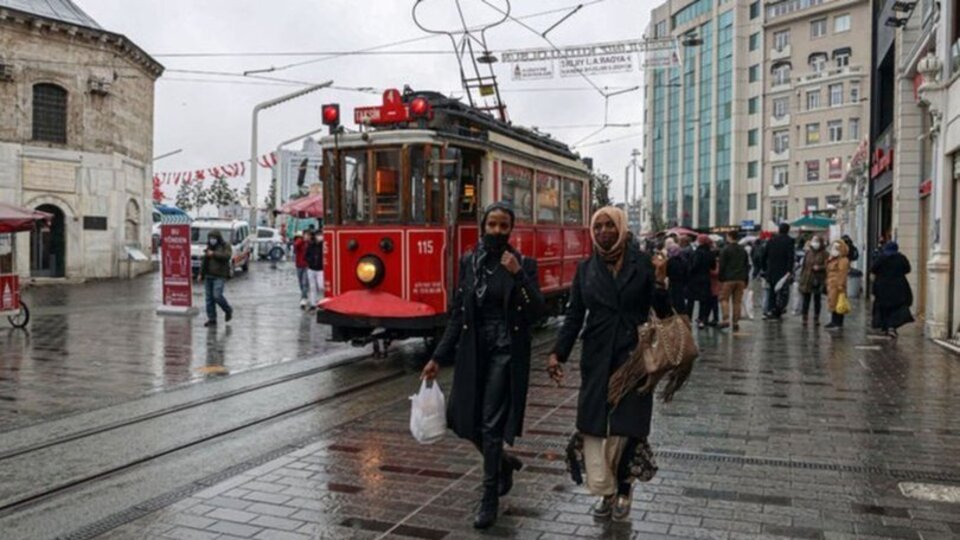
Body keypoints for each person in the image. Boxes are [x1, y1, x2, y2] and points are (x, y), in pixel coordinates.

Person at [421, 202, 544, 530]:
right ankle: (502, 462)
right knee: (458, 418)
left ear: (511, 229)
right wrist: (437, 357)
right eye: (492, 225)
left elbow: (537, 310)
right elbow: (459, 313)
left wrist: (518, 275)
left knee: (491, 425)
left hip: (505, 351)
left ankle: (489, 497)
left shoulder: (523, 264)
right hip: (474, 350)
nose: (497, 231)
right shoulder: (470, 262)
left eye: (504, 226)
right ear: (483, 226)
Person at [547, 206, 670, 522]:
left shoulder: (643, 265)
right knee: (596, 427)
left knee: (627, 428)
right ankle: (606, 488)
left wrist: (660, 283)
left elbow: (665, 313)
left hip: (633, 358)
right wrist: (558, 353)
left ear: (621, 228)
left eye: (610, 226)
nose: (604, 231)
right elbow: (574, 316)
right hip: (597, 357)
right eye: (598, 226)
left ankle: (624, 488)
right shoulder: (586, 269)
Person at [871, 241, 914, 337]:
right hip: (898, 287)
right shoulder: (901, 258)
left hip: (882, 287)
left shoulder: (881, 258)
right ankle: (891, 326)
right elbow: (908, 269)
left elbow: (873, 269)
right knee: (896, 307)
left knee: (884, 308)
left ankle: (885, 326)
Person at [199, 230, 234, 327]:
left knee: (217, 296)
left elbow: (227, 256)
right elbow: (205, 261)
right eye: (210, 238)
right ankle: (212, 319)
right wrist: (201, 273)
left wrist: (213, 254)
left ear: (218, 238)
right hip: (208, 275)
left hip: (219, 275)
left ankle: (228, 310)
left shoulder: (225, 246)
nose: (212, 240)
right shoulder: (209, 246)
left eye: (214, 238)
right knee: (209, 299)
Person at [763, 223, 796, 320]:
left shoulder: (771, 240)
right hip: (783, 271)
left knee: (772, 291)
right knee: (782, 292)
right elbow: (790, 257)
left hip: (771, 270)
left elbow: (764, 255)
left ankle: (771, 309)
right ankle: (778, 310)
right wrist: (790, 270)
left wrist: (764, 268)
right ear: (788, 230)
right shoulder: (789, 241)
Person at [718, 231, 749, 331]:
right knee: (737, 302)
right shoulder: (743, 250)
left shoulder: (725, 249)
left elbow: (722, 265)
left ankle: (726, 319)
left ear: (729, 236)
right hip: (741, 279)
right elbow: (746, 265)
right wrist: (746, 279)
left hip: (728, 279)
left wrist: (720, 278)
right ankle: (735, 322)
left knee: (724, 299)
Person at [689, 234, 717, 329]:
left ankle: (689, 319)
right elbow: (713, 266)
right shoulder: (710, 253)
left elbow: (694, 266)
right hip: (706, 278)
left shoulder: (697, 253)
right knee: (704, 300)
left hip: (695, 279)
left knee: (691, 299)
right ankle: (702, 319)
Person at [798, 235, 828, 326]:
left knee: (817, 300)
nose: (815, 243)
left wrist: (820, 267)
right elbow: (804, 266)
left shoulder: (825, 254)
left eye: (817, 241)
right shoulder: (808, 252)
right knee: (806, 299)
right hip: (807, 279)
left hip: (817, 280)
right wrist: (801, 278)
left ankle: (816, 318)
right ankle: (804, 317)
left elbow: (828, 266)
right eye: (814, 241)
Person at [824, 239, 850, 329]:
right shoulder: (833, 259)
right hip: (831, 284)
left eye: (836, 248)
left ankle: (838, 322)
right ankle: (833, 321)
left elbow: (842, 273)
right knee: (832, 302)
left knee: (838, 302)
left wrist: (841, 285)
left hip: (837, 285)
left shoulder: (843, 260)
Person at [666, 242, 689, 314]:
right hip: (681, 283)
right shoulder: (684, 260)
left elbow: (667, 273)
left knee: (673, 300)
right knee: (680, 300)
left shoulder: (669, 261)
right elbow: (686, 272)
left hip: (672, 283)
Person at [304, 231, 323, 309]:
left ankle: (321, 300)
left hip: (320, 269)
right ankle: (313, 303)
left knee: (321, 286)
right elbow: (306, 255)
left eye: (320, 235)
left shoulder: (323, 245)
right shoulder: (311, 245)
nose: (319, 237)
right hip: (311, 268)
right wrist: (310, 261)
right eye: (318, 235)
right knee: (312, 287)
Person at [293, 232, 310, 309]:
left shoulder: (309, 243)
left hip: (307, 265)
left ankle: (304, 298)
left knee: (304, 282)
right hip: (299, 265)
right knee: (300, 283)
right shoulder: (299, 242)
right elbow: (296, 246)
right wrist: (301, 240)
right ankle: (304, 294)